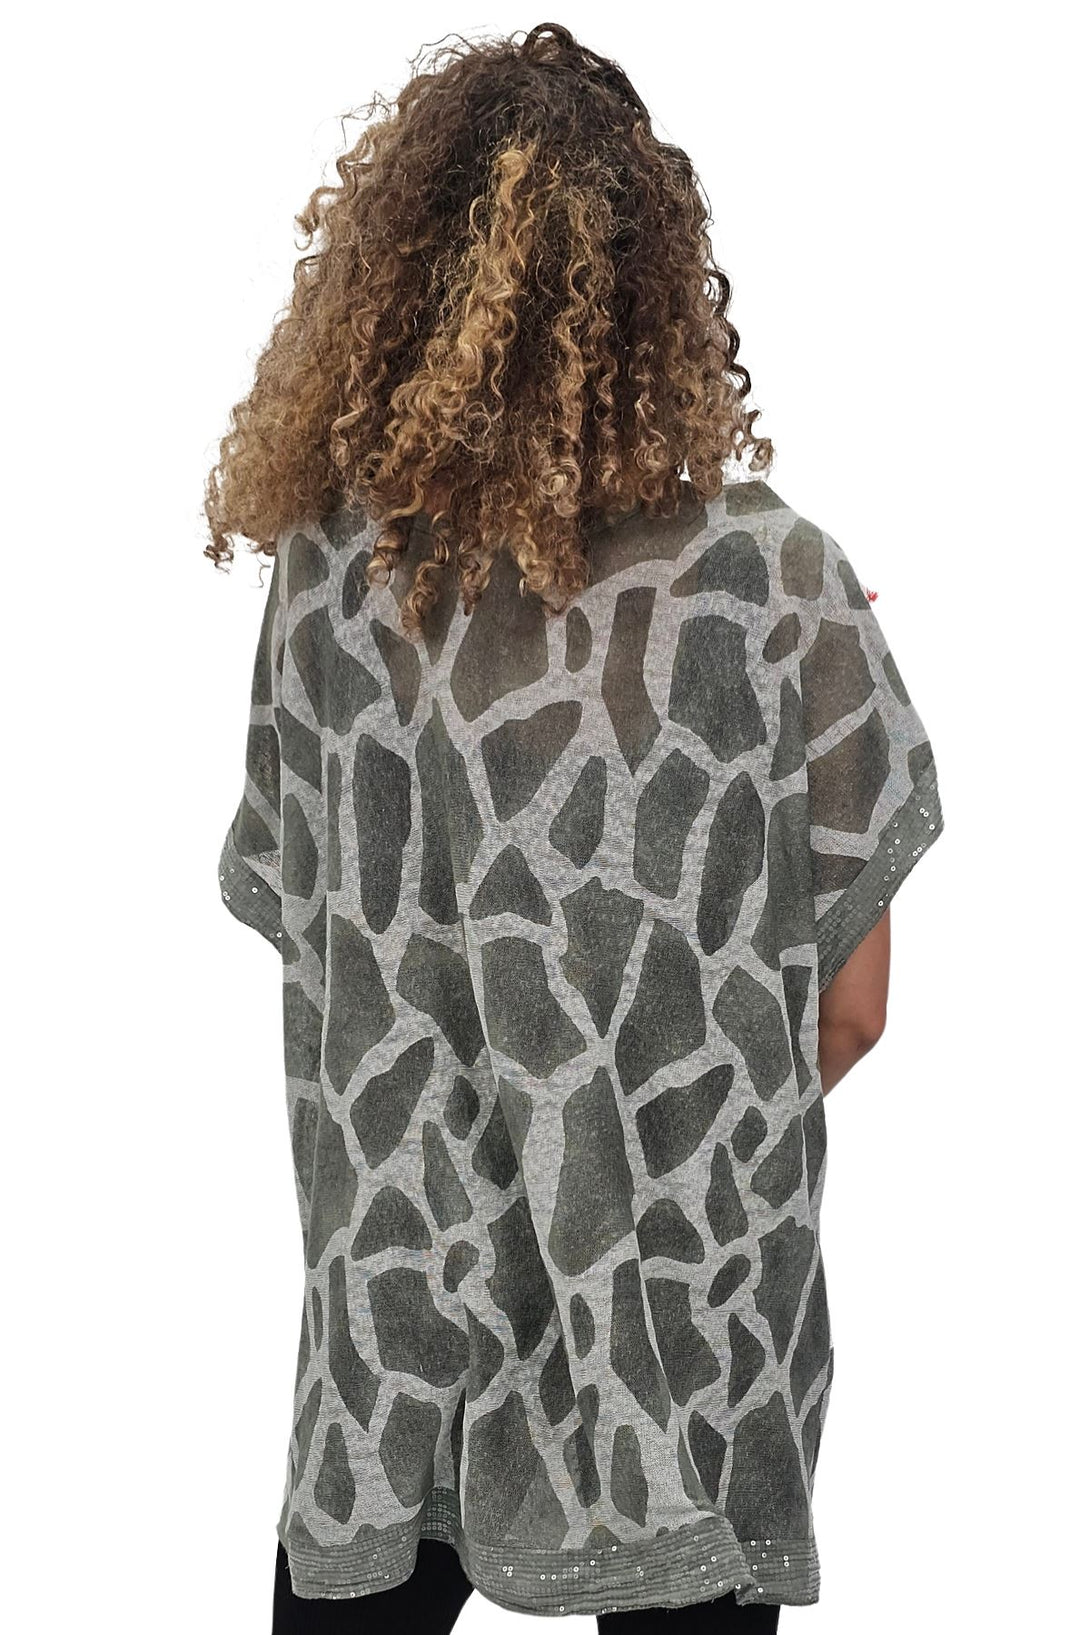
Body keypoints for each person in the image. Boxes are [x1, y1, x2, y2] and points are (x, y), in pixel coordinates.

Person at [207, 22, 945, 1633]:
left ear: (397, 274)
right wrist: (613, 1149)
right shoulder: (777, 585)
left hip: (405, 1302)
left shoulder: (334, 577)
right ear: (654, 284)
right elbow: (851, 1008)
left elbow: (310, 924)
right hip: (682, 1323)